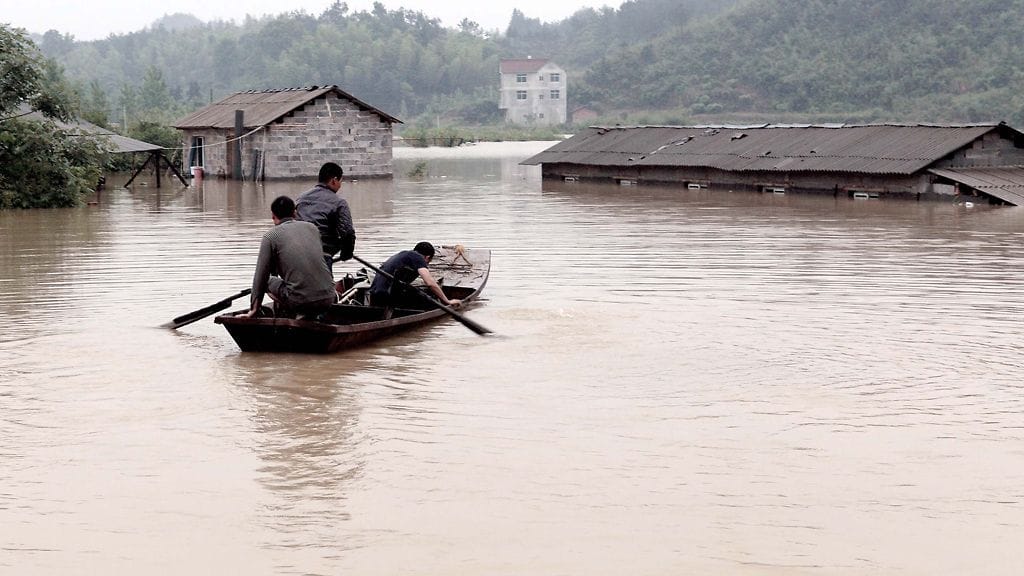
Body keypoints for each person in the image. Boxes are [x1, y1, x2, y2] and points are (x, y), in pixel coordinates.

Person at [244, 195, 338, 318]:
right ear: (295, 213)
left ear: (273, 215)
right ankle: (308, 315)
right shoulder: (313, 228)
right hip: (329, 297)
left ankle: (290, 313)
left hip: (300, 302)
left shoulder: (270, 236)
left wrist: (253, 309)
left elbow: (260, 277)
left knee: (267, 281)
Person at [296, 162, 356, 273]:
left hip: (295, 256)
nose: (340, 185)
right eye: (340, 181)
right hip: (322, 257)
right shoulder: (339, 203)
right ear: (334, 180)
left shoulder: (300, 199)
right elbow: (347, 233)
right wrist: (346, 254)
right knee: (324, 288)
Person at [368, 242, 462, 309]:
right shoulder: (418, 258)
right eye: (428, 263)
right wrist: (447, 301)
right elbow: (430, 283)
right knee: (430, 300)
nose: (427, 265)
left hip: (373, 295)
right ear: (427, 257)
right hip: (387, 297)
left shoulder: (404, 255)